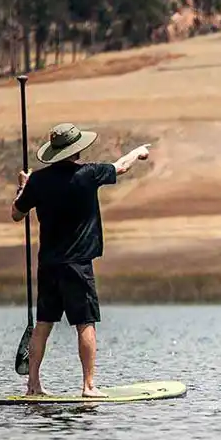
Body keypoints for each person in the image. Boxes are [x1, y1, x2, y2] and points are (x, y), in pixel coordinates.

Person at [11, 122, 150, 397]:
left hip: (48, 264)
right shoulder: (89, 174)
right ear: (77, 150)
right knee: (85, 323)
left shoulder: (38, 181)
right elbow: (120, 166)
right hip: (78, 264)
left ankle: (33, 386)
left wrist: (24, 187)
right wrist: (138, 152)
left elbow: (16, 214)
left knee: (43, 325)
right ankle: (88, 386)